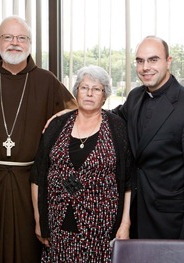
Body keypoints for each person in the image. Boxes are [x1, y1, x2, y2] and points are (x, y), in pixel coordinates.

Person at [0, 15, 77, 262]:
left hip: (30, 181)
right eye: (8, 37)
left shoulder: (46, 80)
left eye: (21, 38)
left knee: (29, 248)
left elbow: (75, 117)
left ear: (30, 43)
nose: (14, 43)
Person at [116, 36, 184, 240]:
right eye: (140, 61)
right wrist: (70, 113)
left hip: (173, 227)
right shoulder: (135, 97)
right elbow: (110, 117)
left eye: (153, 60)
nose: (145, 67)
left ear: (168, 61)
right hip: (136, 220)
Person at [30, 65, 134, 262]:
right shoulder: (57, 124)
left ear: (105, 96)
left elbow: (127, 181)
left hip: (100, 226)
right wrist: (39, 220)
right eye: (84, 87)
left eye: (97, 89)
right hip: (57, 223)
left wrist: (125, 223)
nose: (89, 93)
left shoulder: (117, 127)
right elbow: (37, 176)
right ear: (76, 90)